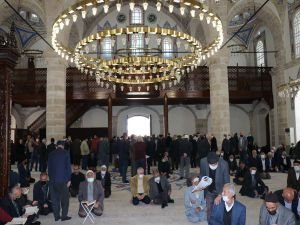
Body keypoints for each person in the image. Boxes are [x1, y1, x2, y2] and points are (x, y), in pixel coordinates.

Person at [200, 151, 230, 220]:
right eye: (212, 164)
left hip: (220, 189)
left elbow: (227, 182)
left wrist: (220, 195)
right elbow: (202, 175)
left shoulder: (224, 164)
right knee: (209, 209)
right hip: (209, 189)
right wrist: (202, 185)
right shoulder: (203, 162)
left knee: (221, 209)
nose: (213, 165)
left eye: (215, 164)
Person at [47, 140, 72, 221]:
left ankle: (56, 216)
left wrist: (51, 178)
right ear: (63, 146)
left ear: (56, 146)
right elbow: (68, 168)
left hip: (53, 180)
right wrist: (69, 179)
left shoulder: (51, 154)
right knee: (65, 199)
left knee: (55, 199)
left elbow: (49, 169)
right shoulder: (65, 153)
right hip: (62, 180)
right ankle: (64, 216)